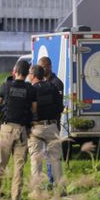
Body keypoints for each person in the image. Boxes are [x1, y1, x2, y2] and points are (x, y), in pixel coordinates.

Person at [0, 59, 37, 200]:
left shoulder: (6, 86)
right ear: (28, 73)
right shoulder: (30, 89)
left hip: (6, 129)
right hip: (22, 130)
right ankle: (16, 197)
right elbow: (34, 110)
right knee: (19, 166)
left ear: (15, 71)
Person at [27, 65, 64, 194]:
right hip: (52, 126)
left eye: (29, 74)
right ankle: (60, 189)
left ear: (33, 75)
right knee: (55, 158)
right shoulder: (53, 87)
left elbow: (28, 110)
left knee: (36, 159)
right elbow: (60, 107)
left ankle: (37, 190)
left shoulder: (31, 90)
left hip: (36, 127)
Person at [37, 56, 64, 184]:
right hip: (41, 125)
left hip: (53, 123)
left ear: (49, 66)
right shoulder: (40, 83)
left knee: (51, 155)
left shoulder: (56, 83)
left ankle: (53, 181)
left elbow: (58, 106)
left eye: (43, 67)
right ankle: (49, 180)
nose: (41, 69)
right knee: (44, 154)